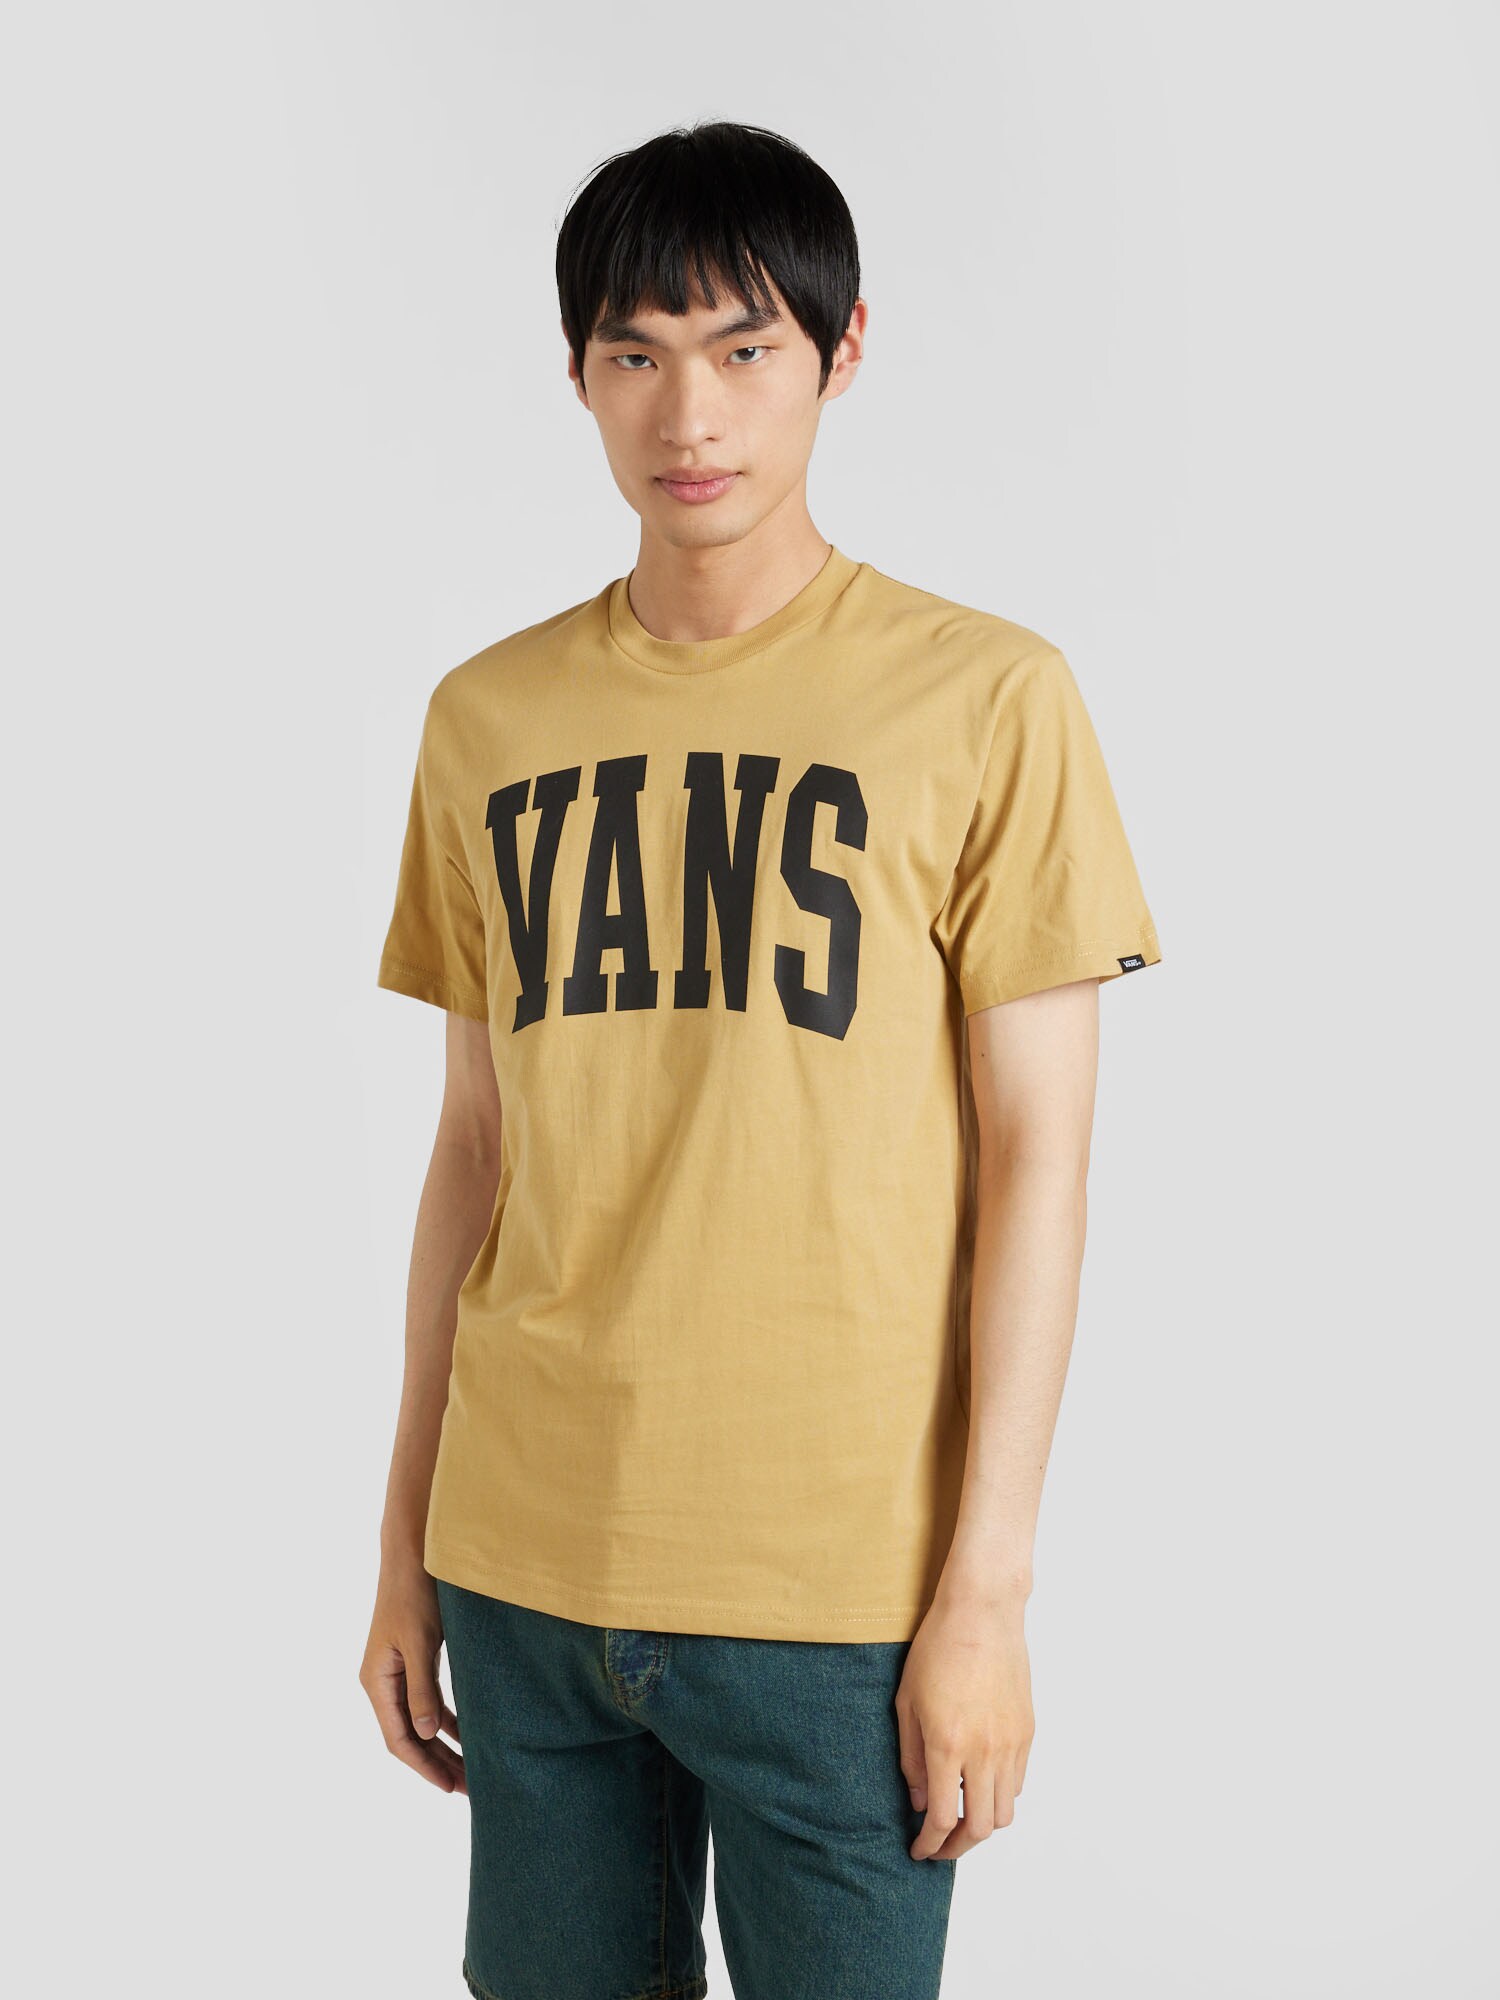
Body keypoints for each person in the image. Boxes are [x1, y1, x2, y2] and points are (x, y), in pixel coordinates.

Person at [359, 118, 1162, 2000]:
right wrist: (403, 1543)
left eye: (744, 348)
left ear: (841, 350)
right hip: (524, 1565)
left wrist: (987, 1592)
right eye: (634, 353)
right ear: (577, 374)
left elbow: (1039, 1163)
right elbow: (473, 1151)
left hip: (836, 1593)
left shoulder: (990, 697)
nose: (690, 412)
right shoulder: (487, 718)